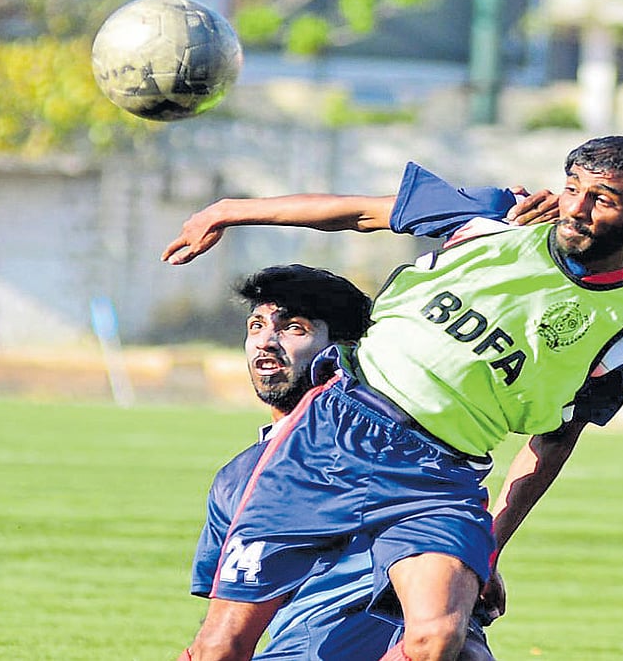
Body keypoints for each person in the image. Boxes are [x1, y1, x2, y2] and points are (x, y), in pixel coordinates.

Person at [165, 135, 623, 661]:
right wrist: (230, 211)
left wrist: (491, 545)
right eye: (573, 187)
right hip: (330, 436)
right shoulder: (495, 218)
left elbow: (552, 443)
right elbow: (358, 213)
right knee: (222, 647)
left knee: (437, 640)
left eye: (603, 198)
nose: (575, 207)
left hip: (439, 478)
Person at [192, 262, 524, 659]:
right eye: (256, 326)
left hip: (418, 644)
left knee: (464, 648)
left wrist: (475, 560)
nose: (266, 342)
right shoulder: (240, 480)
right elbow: (222, 635)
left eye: (294, 328)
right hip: (308, 652)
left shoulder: (415, 458)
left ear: (346, 348)